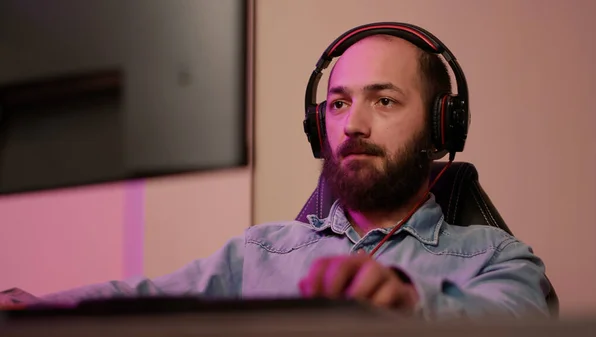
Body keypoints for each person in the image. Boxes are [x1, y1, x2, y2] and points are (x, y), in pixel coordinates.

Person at [0, 28, 550, 320]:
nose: (353, 124)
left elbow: (513, 321)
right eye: (337, 104)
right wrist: (38, 309)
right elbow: (144, 299)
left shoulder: (496, 256)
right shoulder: (258, 255)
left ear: (439, 127)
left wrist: (408, 304)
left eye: (384, 101)